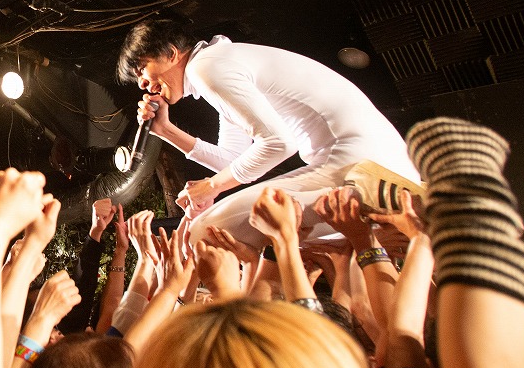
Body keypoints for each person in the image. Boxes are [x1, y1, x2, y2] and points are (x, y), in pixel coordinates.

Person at [116, 19, 420, 253]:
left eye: (141, 69)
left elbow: (279, 143)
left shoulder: (206, 68)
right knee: (290, 241)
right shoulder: (218, 63)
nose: (141, 84)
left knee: (205, 235)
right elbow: (235, 161)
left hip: (359, 164)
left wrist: (211, 187)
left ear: (171, 54)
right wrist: (166, 131)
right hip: (378, 162)